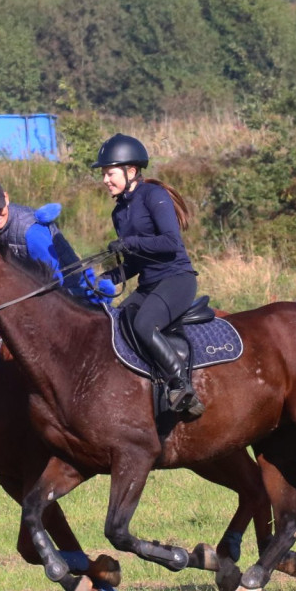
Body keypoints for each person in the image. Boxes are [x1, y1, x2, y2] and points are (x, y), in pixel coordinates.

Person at [92, 133, 205, 418]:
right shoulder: (119, 213)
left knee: (144, 323)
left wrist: (130, 244)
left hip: (177, 280)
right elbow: (137, 262)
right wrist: (111, 276)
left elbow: (171, 243)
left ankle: (181, 385)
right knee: (115, 324)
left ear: (131, 171)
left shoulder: (154, 196)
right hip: (150, 283)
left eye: (110, 173)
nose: (106, 179)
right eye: (104, 174)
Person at [0, 177, 110, 303]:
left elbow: (53, 278)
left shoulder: (30, 231)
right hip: (31, 289)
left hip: (71, 291)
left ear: (6, 198)